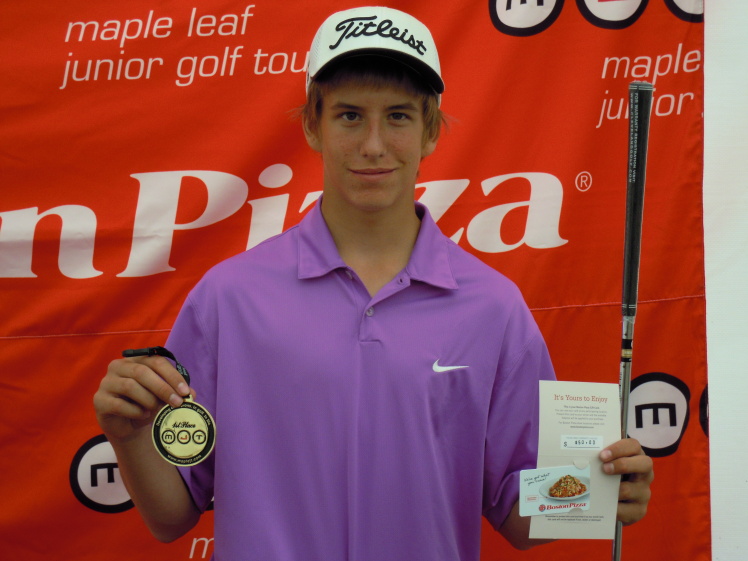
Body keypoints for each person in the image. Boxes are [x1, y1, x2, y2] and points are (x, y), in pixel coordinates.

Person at [93, 6, 653, 560]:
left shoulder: (493, 307)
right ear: (313, 125)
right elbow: (172, 515)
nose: (373, 145)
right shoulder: (228, 298)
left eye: (399, 116)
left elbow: (518, 515)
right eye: (350, 116)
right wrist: (130, 435)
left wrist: (599, 489)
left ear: (430, 130)